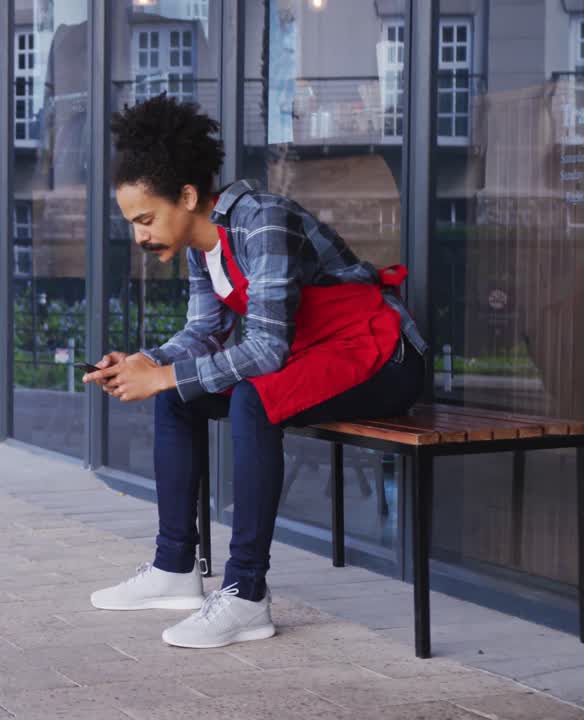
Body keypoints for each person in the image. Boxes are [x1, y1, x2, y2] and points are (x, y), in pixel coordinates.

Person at [83, 94, 427, 650]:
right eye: (133, 223)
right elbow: (203, 333)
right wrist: (148, 365)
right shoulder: (201, 247)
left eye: (145, 219)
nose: (140, 236)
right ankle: (175, 568)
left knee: (251, 398)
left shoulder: (261, 219)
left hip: (383, 356)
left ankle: (246, 596)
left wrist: (166, 375)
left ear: (188, 196)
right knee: (179, 398)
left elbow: (266, 351)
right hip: (314, 356)